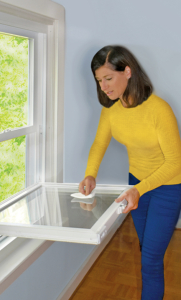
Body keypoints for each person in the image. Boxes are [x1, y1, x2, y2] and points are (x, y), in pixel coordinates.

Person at [78, 45, 181, 300]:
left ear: (128, 71)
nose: (103, 86)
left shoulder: (159, 109)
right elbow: (99, 144)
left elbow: (175, 163)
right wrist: (90, 174)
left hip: (168, 186)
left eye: (108, 78)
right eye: (99, 80)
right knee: (146, 249)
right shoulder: (111, 111)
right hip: (136, 183)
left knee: (152, 259)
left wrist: (138, 190)